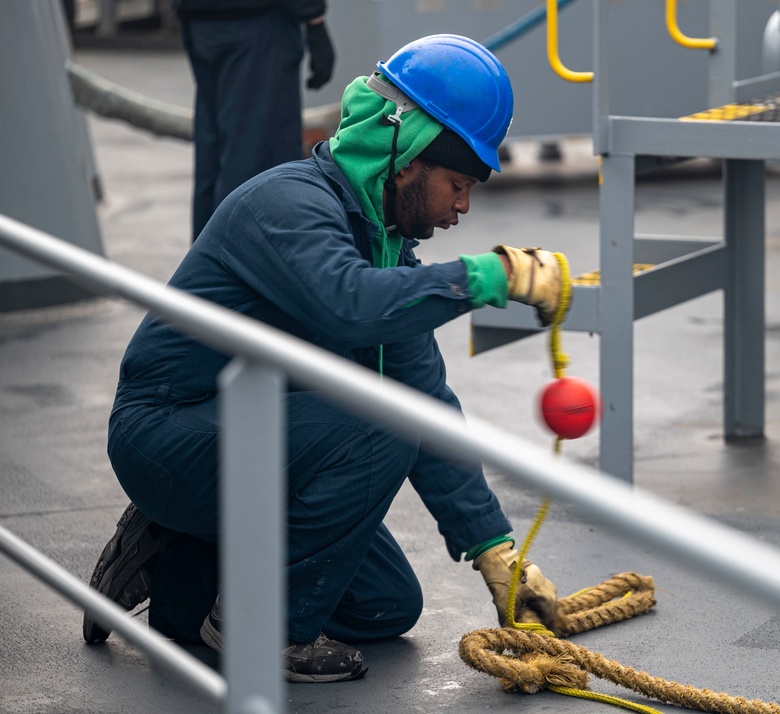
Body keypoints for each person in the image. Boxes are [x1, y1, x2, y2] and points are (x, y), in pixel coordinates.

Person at [82, 34, 570, 683]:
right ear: (408, 155)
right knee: (381, 424)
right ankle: (259, 627)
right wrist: (487, 277)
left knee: (386, 607)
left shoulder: (384, 247)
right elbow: (349, 304)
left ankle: (176, 562)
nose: (463, 206)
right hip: (170, 435)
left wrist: (495, 552)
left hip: (250, 439)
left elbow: (426, 401)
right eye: (458, 182)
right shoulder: (288, 206)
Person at [172, 0, 336, 242]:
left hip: (199, 20)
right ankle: (235, 274)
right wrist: (314, 19)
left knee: (214, 161)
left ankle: (205, 275)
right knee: (257, 173)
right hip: (258, 26)